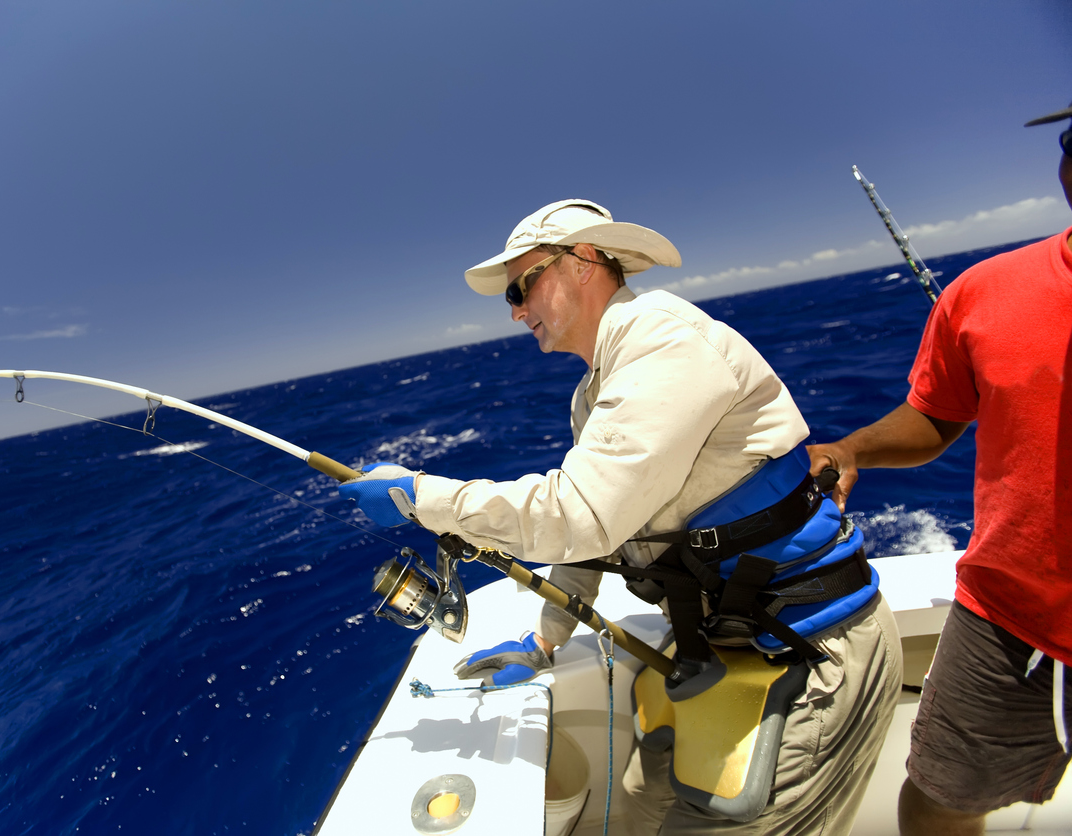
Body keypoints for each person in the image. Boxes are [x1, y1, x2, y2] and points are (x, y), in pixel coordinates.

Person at [341, 199, 901, 834]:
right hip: (718, 646)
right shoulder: (592, 394)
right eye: (511, 300)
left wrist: (421, 495)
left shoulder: (663, 338)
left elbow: (579, 515)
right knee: (633, 809)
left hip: (808, 651)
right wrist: (546, 640)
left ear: (583, 263)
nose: (518, 310)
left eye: (522, 287)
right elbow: (600, 538)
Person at [807, 100, 1072, 835]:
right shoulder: (980, 294)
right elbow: (937, 416)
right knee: (938, 798)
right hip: (1009, 614)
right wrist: (852, 448)